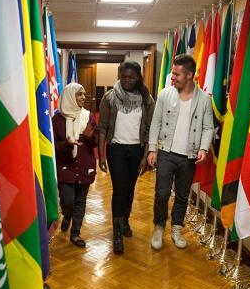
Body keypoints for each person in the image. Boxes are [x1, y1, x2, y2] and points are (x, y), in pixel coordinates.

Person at [147, 54, 214, 250]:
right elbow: (156, 123)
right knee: (161, 194)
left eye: (176, 74)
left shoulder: (203, 99)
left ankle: (176, 228)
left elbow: (208, 127)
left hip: (189, 156)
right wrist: (153, 149)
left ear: (189, 75)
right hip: (166, 153)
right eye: (172, 73)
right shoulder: (165, 94)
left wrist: (203, 147)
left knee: (183, 196)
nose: (172, 77)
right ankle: (159, 227)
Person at [98, 60, 155, 254]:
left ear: (138, 77)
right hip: (116, 150)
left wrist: (145, 156)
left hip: (137, 151)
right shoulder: (109, 98)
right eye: (124, 76)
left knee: (130, 188)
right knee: (119, 189)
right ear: (119, 76)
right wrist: (101, 155)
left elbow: (149, 130)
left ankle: (125, 221)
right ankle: (116, 232)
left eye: (131, 77)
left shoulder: (147, 99)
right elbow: (102, 128)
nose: (127, 80)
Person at [53, 83, 98, 248]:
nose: (83, 98)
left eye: (84, 95)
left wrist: (88, 137)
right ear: (70, 96)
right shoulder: (57, 119)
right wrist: (67, 143)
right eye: (79, 94)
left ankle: (75, 233)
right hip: (66, 166)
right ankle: (67, 215)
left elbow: (95, 142)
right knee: (67, 202)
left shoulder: (89, 117)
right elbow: (53, 147)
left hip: (85, 166)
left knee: (80, 201)